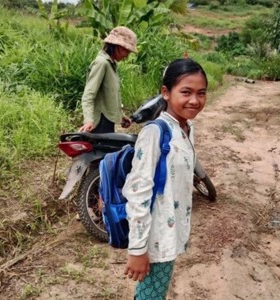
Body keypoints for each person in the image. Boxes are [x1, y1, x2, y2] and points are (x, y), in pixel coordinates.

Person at [122, 58, 208, 299]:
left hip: (170, 233)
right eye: (186, 92)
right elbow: (137, 192)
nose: (194, 100)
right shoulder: (155, 133)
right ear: (166, 93)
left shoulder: (187, 128)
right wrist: (138, 250)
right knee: (149, 296)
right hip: (155, 237)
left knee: (155, 294)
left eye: (201, 93)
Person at [79, 26, 137, 133]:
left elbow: (109, 96)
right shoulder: (102, 63)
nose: (127, 56)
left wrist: (121, 116)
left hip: (107, 120)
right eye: (127, 52)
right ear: (118, 47)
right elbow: (88, 95)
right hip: (99, 122)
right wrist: (88, 120)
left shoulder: (111, 64)